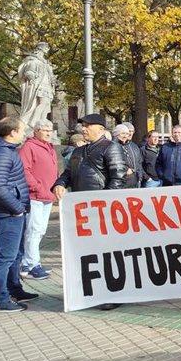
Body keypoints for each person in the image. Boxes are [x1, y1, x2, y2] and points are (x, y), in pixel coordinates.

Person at [53, 113, 127, 311]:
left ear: (101, 129)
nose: (83, 129)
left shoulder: (112, 148)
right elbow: (67, 174)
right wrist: (60, 184)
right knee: (88, 253)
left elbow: (118, 179)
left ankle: (114, 293)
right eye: (82, 126)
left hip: (103, 211)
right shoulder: (79, 151)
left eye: (87, 125)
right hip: (82, 212)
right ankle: (92, 291)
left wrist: (105, 206)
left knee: (107, 252)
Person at [0, 116, 38, 312]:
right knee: (5, 257)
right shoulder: (1, 154)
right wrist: (17, 208)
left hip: (12, 211)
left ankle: (14, 289)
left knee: (16, 255)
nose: (24, 133)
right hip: (8, 213)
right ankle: (0, 298)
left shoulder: (6, 151)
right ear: (12, 132)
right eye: (22, 130)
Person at [18, 119, 58, 280]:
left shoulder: (50, 148)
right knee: (33, 230)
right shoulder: (29, 147)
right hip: (35, 196)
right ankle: (33, 264)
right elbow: (24, 170)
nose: (48, 133)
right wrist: (37, 187)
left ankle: (28, 262)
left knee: (40, 230)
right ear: (36, 131)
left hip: (47, 196)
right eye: (45, 130)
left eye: (50, 130)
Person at [114, 124, 144, 188]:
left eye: (131, 131)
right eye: (123, 133)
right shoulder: (113, 146)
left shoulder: (134, 146)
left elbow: (139, 163)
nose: (130, 134)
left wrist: (140, 177)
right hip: (121, 183)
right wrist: (125, 170)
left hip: (135, 181)